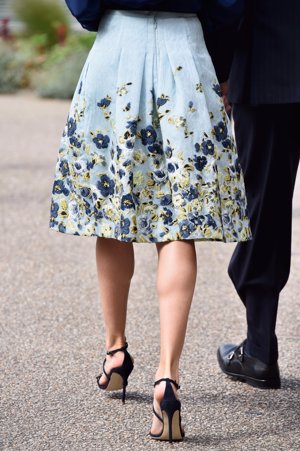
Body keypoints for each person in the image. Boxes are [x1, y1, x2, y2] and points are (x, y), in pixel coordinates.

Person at [50, 0, 250, 442]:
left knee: (111, 210)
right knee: (178, 221)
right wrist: (219, 59)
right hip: (187, 50)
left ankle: (116, 352)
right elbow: (230, 6)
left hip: (118, 47)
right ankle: (167, 379)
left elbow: (83, 5)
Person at [217, 0, 300, 389]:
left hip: (269, 62)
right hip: (271, 60)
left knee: (264, 208)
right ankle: (259, 348)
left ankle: (261, 351)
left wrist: (220, 66)